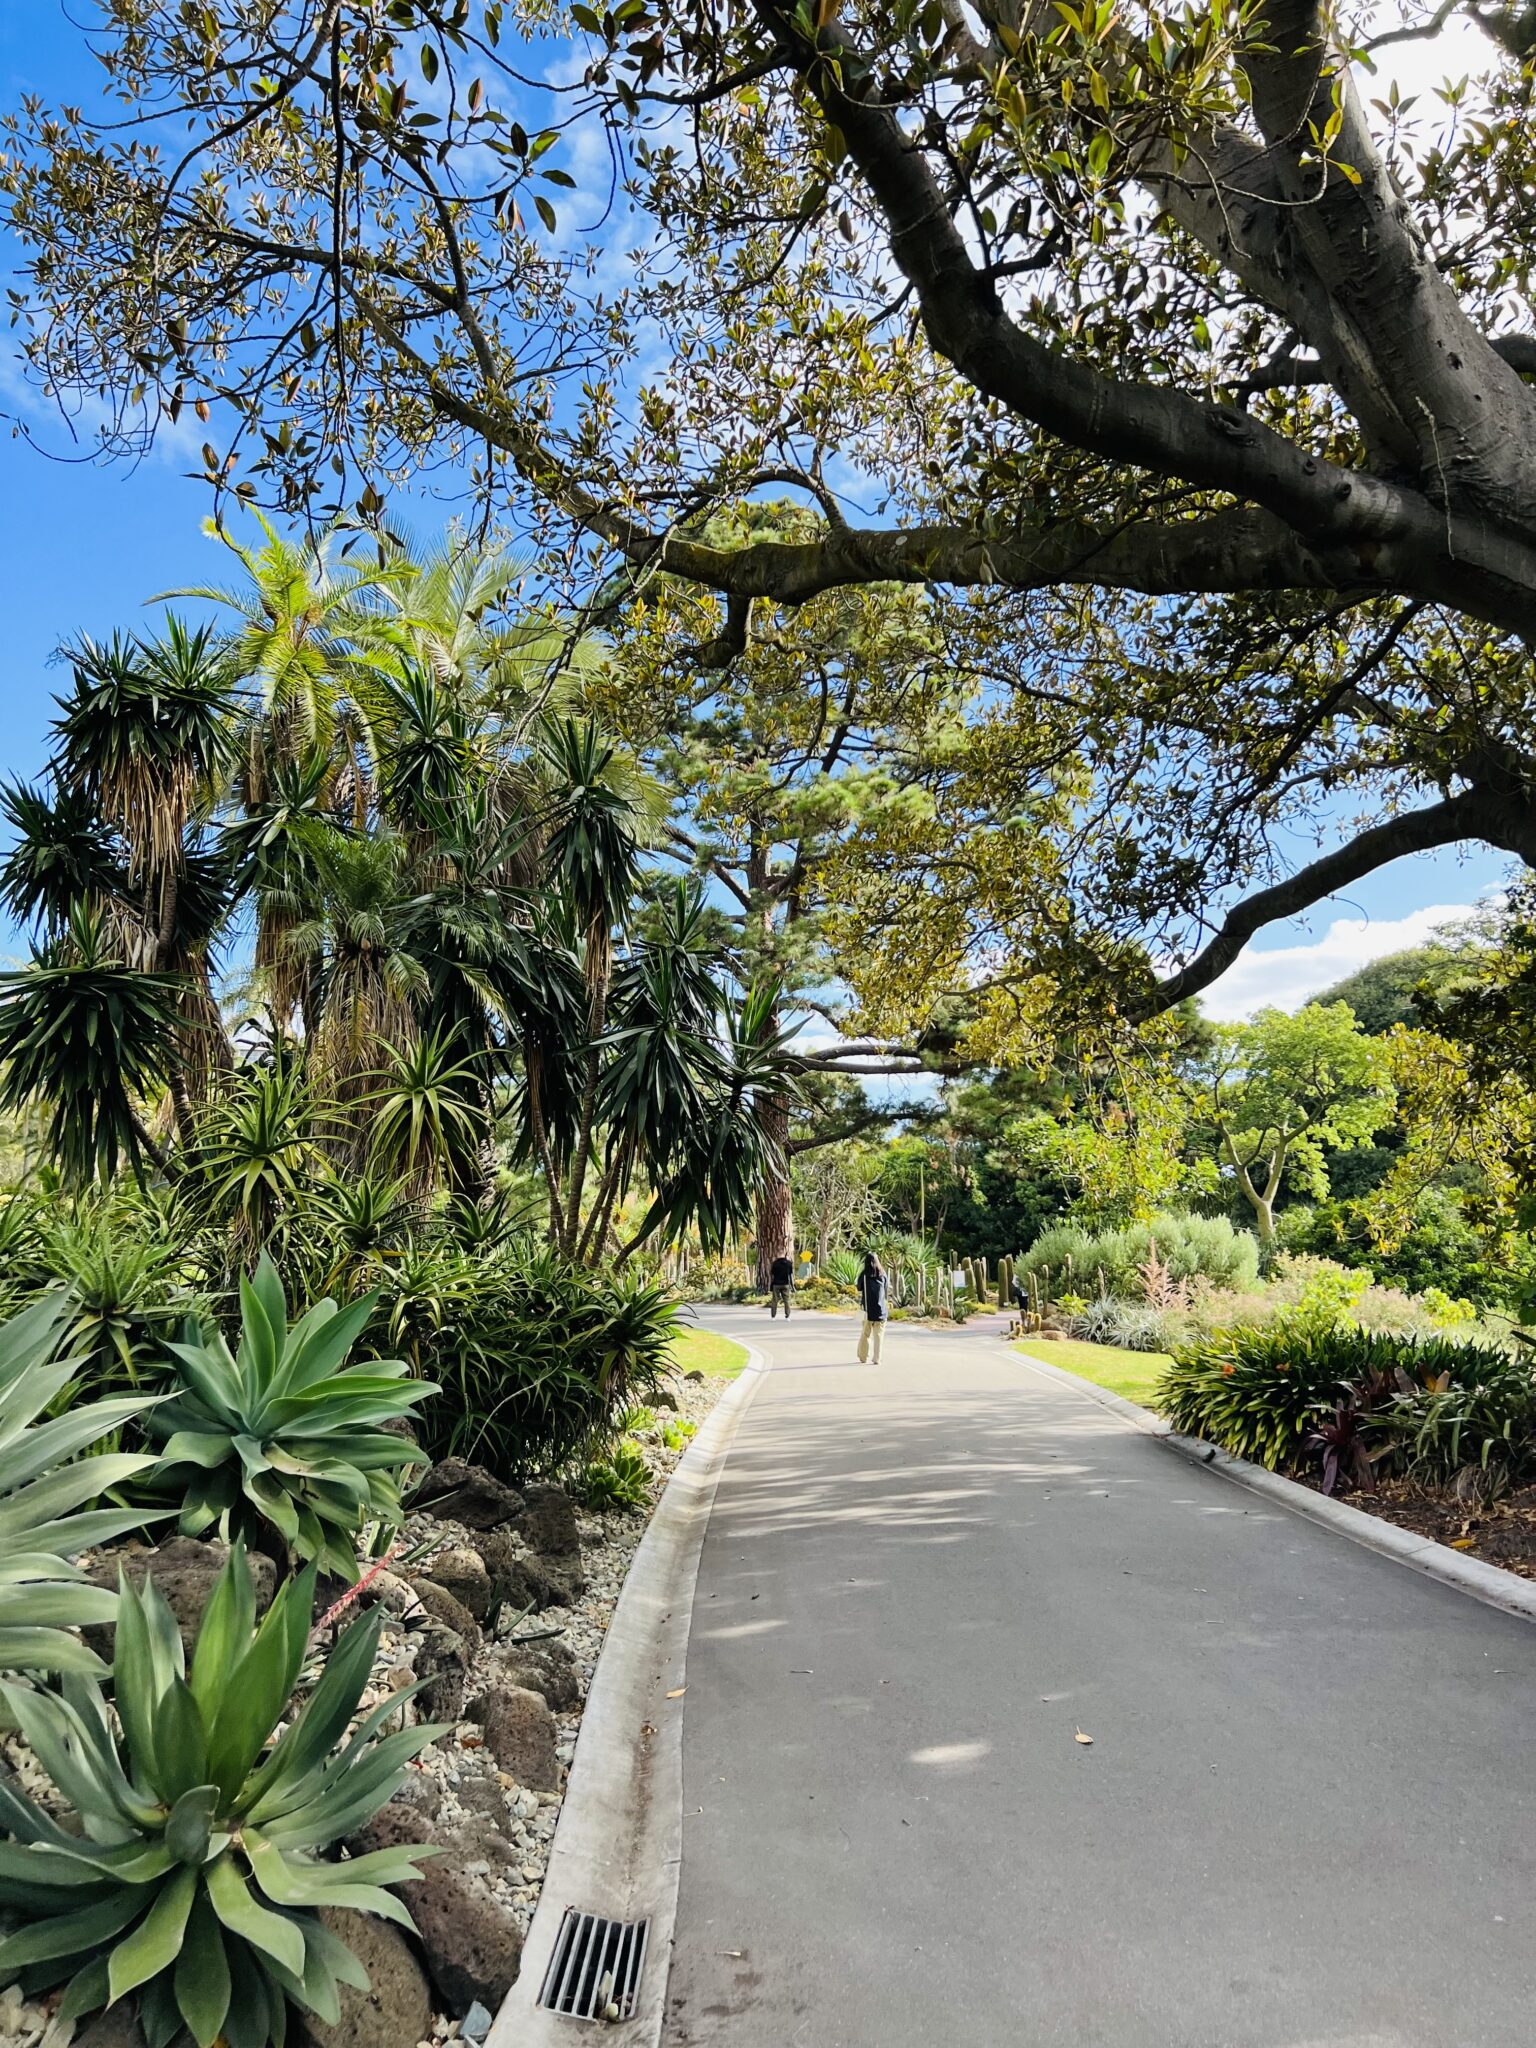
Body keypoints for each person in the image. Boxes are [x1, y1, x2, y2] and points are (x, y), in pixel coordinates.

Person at [856, 1252, 888, 1363]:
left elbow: (859, 1287)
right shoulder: (883, 1274)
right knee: (879, 1336)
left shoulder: (864, 1275)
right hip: (881, 1311)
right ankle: (877, 1358)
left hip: (867, 1311)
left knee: (865, 1334)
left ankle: (863, 1357)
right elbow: (885, 1288)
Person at [769, 1251, 794, 1318]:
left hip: (776, 1284)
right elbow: (790, 1275)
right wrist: (792, 1285)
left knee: (775, 1300)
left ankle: (773, 1316)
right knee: (786, 1300)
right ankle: (787, 1315)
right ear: (785, 1255)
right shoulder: (789, 1263)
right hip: (786, 1284)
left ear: (777, 1255)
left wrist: (771, 1284)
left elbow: (772, 1274)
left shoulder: (775, 1263)